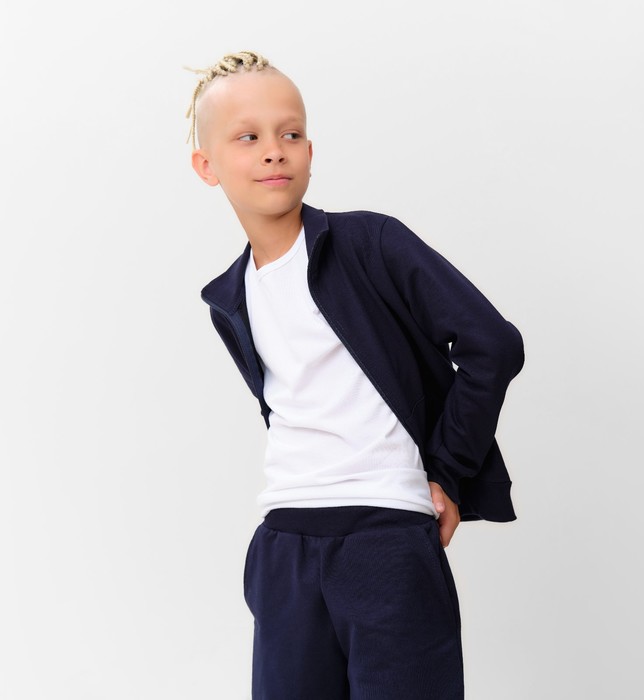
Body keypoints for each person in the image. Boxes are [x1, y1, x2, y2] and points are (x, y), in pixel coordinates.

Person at [187, 50, 524, 699]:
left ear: (310, 151)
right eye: (248, 137)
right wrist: (271, 561)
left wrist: (447, 472)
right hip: (284, 545)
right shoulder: (230, 298)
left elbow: (492, 345)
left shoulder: (370, 244)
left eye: (290, 133)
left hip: (385, 540)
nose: (274, 150)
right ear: (208, 166)